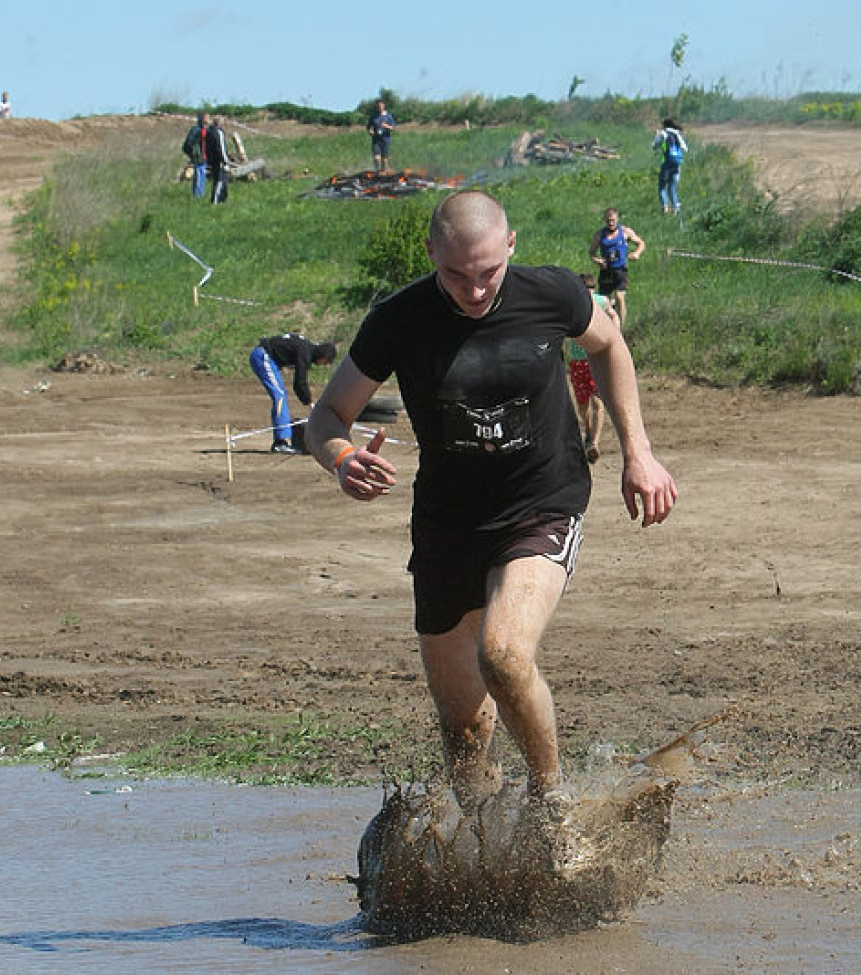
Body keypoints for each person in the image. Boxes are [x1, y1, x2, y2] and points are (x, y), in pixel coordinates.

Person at [306, 190, 677, 816]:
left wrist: (637, 452)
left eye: (487, 274)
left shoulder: (552, 293)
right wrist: (342, 459)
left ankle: (551, 803)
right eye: (456, 275)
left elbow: (609, 346)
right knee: (465, 737)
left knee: (503, 656)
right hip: (448, 525)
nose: (474, 291)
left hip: (542, 502)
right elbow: (327, 417)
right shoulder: (398, 319)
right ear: (430, 255)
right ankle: (489, 848)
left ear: (510, 245)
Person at [250, 333, 336, 454]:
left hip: (267, 358)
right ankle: (280, 442)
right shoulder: (306, 353)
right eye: (326, 362)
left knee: (280, 395)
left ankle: (282, 438)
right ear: (323, 356)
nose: (324, 364)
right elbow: (300, 383)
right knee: (279, 396)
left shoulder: (307, 348)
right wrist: (310, 404)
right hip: (263, 356)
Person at [572, 273, 616, 463]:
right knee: (582, 406)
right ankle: (588, 432)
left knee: (598, 402)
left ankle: (594, 443)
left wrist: (614, 336)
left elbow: (613, 315)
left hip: (595, 359)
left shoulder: (601, 301)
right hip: (577, 361)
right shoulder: (573, 304)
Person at [588, 207, 645, 328]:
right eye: (608, 221)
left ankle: (621, 329)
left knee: (620, 296)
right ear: (605, 220)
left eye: (613, 220)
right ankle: (608, 326)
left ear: (617, 219)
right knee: (605, 301)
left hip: (620, 270)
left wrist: (636, 254)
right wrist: (598, 261)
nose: (611, 223)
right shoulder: (599, 235)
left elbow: (641, 243)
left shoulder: (625, 231)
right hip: (606, 271)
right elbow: (591, 253)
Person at [651, 118, 688, 214]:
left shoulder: (664, 133)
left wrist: (656, 136)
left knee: (662, 186)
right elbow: (685, 148)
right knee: (672, 187)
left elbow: (654, 146)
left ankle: (665, 206)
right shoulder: (678, 134)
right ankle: (675, 208)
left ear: (665, 125)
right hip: (677, 163)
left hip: (667, 162)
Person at [181, 112, 210, 199]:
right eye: (207, 118)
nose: (209, 120)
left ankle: (201, 195)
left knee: (202, 175)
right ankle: (197, 196)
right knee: (198, 176)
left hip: (204, 158)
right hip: (198, 158)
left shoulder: (205, 130)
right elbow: (188, 145)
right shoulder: (196, 130)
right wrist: (193, 154)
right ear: (202, 119)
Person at [206, 116, 232, 204]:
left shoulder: (210, 131)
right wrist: (226, 161)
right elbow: (221, 148)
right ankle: (215, 201)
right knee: (220, 181)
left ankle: (223, 199)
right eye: (222, 121)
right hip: (219, 161)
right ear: (219, 122)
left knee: (222, 180)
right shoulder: (218, 133)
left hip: (213, 161)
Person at [367, 100, 396, 173]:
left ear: (384, 106)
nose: (379, 107)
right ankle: (376, 171)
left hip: (385, 140)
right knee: (376, 158)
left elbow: (393, 128)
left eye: (380, 106)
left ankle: (383, 172)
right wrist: (371, 131)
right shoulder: (373, 116)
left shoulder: (388, 116)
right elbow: (369, 126)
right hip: (376, 140)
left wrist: (386, 126)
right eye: (378, 106)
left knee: (384, 159)